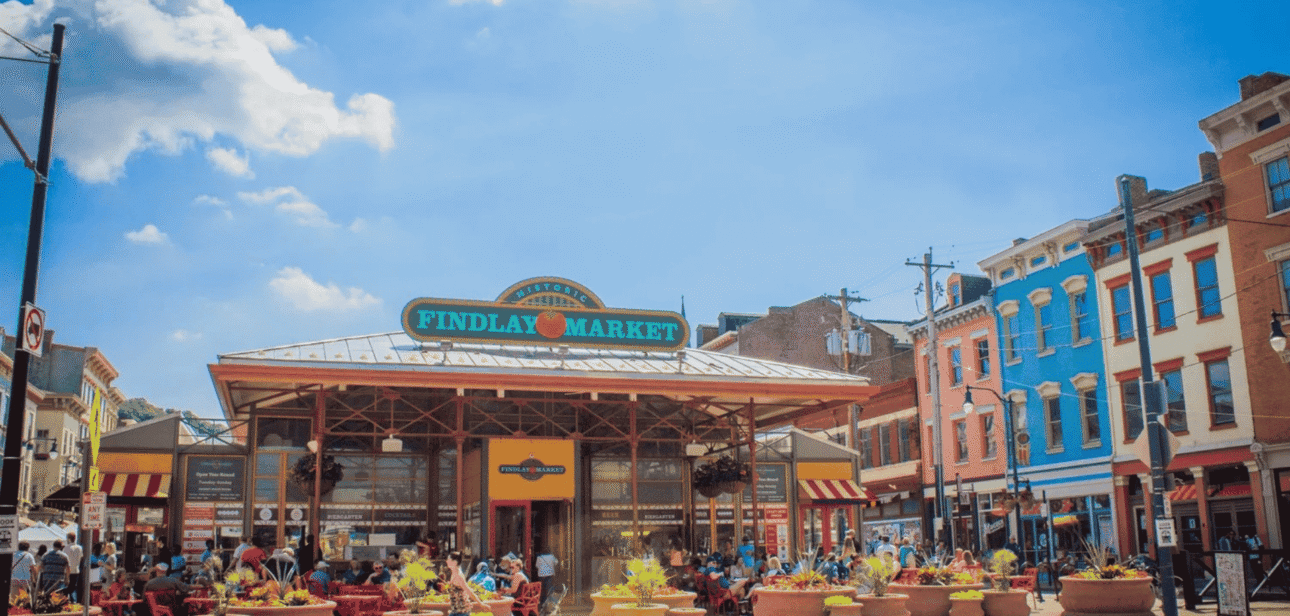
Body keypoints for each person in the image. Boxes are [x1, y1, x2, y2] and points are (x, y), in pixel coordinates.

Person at [445, 551, 489, 616]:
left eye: (448, 560)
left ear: (455, 562)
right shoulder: (454, 573)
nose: (446, 561)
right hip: (456, 610)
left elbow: (468, 591)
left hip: (461, 611)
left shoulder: (458, 575)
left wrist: (481, 604)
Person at [64, 533, 84, 600]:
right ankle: (73, 601)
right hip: (76, 570)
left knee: (66, 587)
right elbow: (81, 558)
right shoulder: (79, 548)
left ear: (69, 539)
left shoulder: (66, 548)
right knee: (73, 587)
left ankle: (66, 600)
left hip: (67, 571)